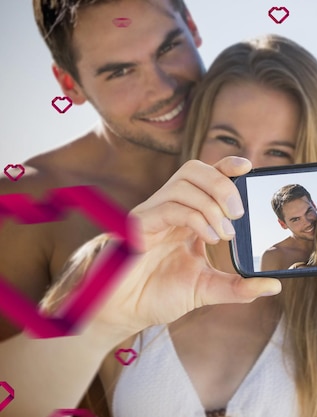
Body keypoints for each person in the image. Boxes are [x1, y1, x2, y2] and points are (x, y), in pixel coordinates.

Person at [2, 34, 317, 417]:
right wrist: (103, 321)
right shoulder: (125, 257)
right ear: (195, 139)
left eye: (278, 151)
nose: (247, 168)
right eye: (227, 140)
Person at [0, 1, 279, 416]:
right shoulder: (28, 205)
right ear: (69, 84)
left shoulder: (255, 155)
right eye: (120, 71)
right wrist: (93, 317)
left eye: (168, 48)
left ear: (192, 27)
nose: (162, 86)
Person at [261, 184, 317, 271]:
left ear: (314, 206)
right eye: (296, 219)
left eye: (308, 212)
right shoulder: (273, 256)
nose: (307, 223)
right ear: (283, 224)